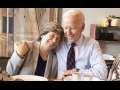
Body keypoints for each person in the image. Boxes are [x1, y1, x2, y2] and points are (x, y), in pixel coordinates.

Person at [56, 9, 108, 80]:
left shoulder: (92, 44)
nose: (68, 32)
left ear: (82, 27)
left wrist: (73, 72)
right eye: (66, 28)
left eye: (72, 28)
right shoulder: (58, 41)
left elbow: (102, 72)